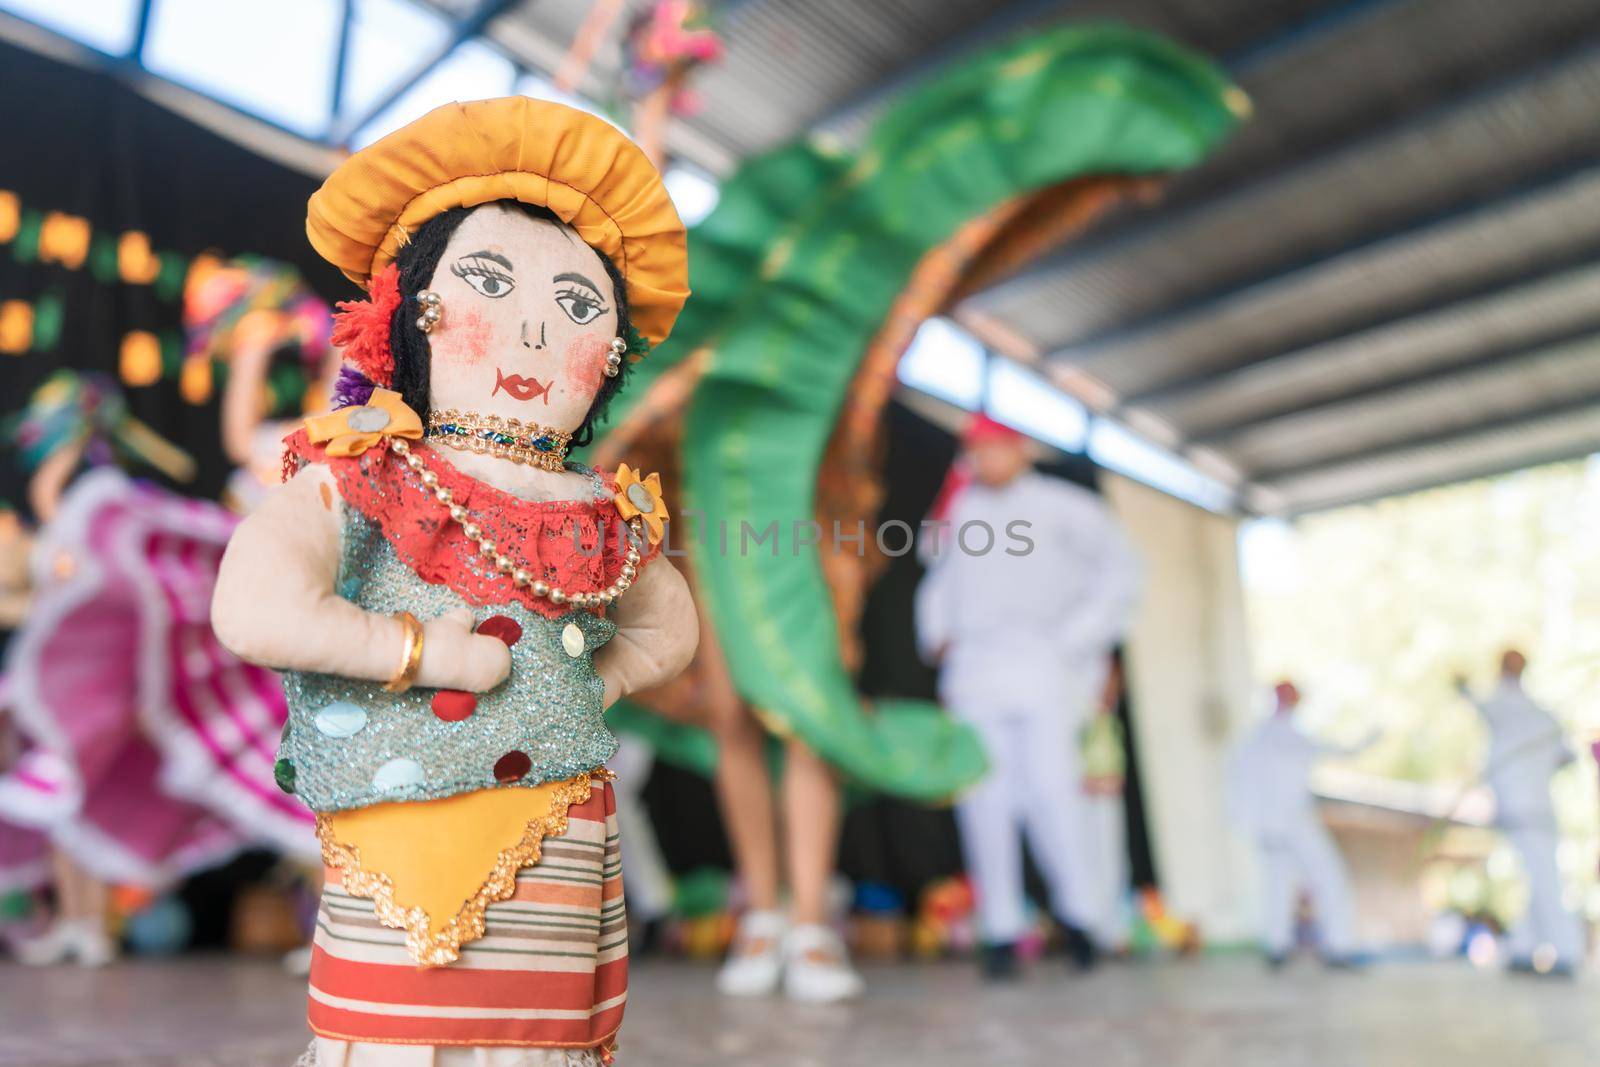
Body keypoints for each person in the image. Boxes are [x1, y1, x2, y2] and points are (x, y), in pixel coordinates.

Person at [212, 97, 698, 1066]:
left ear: (609, 355)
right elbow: (253, 605)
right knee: (398, 1033)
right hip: (406, 831)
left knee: (539, 1042)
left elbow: (668, 626)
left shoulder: (599, 508)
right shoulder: (368, 469)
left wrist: (588, 686)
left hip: (560, 840)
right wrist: (420, 649)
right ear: (409, 309)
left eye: (574, 304)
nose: (530, 332)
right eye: (487, 282)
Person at [914, 414, 1141, 979]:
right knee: (983, 800)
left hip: (1043, 664)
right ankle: (1001, 931)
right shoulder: (960, 510)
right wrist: (938, 637)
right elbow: (935, 572)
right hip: (976, 669)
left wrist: (1079, 640)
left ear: (1019, 450)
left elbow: (1123, 570)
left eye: (992, 450)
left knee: (1053, 794)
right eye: (974, 452)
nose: (983, 461)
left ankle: (1082, 919)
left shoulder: (1066, 506)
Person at [1228, 681, 1374, 969]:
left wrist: (1249, 822)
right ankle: (1338, 946)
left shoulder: (1255, 738)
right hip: (1292, 822)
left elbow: (1235, 783)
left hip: (1269, 827)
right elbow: (1338, 750)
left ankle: (1277, 947)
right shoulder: (1284, 734)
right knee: (1328, 876)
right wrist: (1368, 741)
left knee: (1277, 883)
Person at [1458, 650, 1584, 976]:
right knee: (1533, 876)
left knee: (1543, 879)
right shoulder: (1544, 716)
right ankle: (1525, 949)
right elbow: (1566, 758)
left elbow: (1474, 701)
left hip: (1522, 808)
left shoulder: (1503, 706)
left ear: (1501, 668)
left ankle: (1566, 952)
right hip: (1536, 808)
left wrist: (1461, 687)